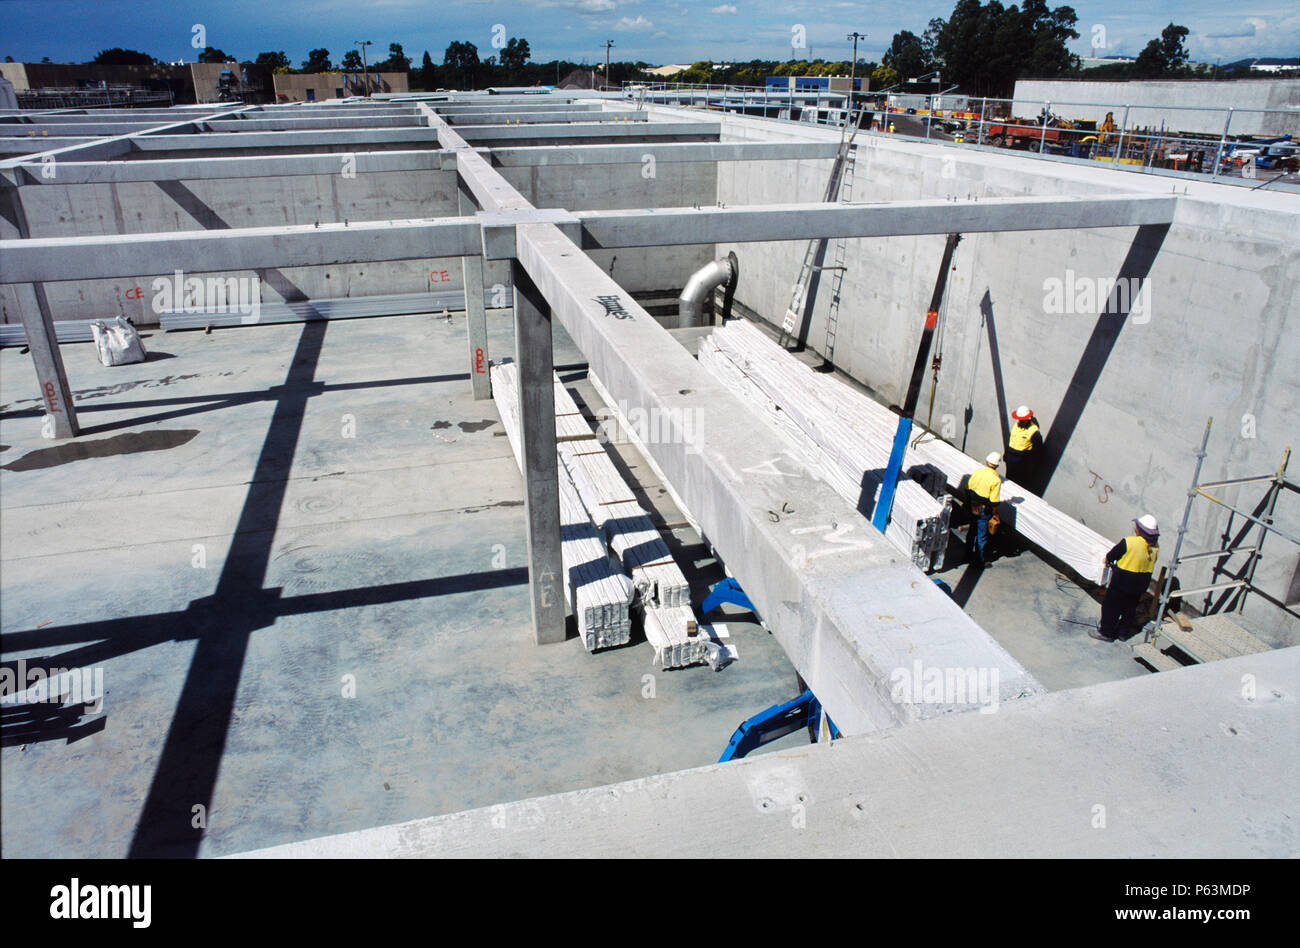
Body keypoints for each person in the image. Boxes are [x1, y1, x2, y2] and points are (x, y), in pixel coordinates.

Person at [1092, 515, 1160, 642]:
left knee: (1111, 607)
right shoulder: (1156, 548)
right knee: (1129, 608)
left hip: (1122, 581)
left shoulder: (1129, 542)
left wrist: (1107, 560)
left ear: (1139, 531)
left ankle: (1106, 633)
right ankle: (1123, 633)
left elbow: (1112, 555)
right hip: (1140, 584)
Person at [966, 452, 1003, 568]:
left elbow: (967, 489)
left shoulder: (977, 472)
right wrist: (996, 515)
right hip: (983, 510)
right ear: (997, 465)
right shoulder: (996, 480)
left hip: (972, 506)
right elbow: (994, 502)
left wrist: (967, 504)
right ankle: (979, 561)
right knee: (981, 535)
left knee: (972, 531)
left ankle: (966, 555)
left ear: (987, 461)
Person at [1005, 405, 1043, 486]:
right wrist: (1006, 453)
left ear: (1027, 418)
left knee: (1018, 481)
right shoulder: (1016, 425)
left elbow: (1038, 449)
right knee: (1008, 478)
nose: (1020, 421)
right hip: (1010, 455)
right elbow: (1011, 439)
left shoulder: (1034, 431)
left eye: (1022, 420)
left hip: (1021, 459)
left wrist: (1030, 462)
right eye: (1019, 419)